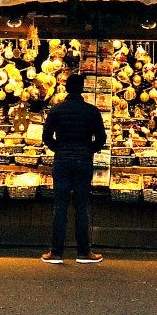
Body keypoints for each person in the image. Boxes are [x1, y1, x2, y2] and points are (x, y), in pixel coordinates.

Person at [40, 72, 106, 265]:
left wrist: (59, 148)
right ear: (82, 89)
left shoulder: (56, 110)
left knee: (60, 206)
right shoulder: (92, 111)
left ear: (66, 88)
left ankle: (56, 253)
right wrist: (88, 150)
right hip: (83, 161)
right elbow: (101, 138)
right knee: (81, 207)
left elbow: (46, 137)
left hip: (62, 161)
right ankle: (84, 252)